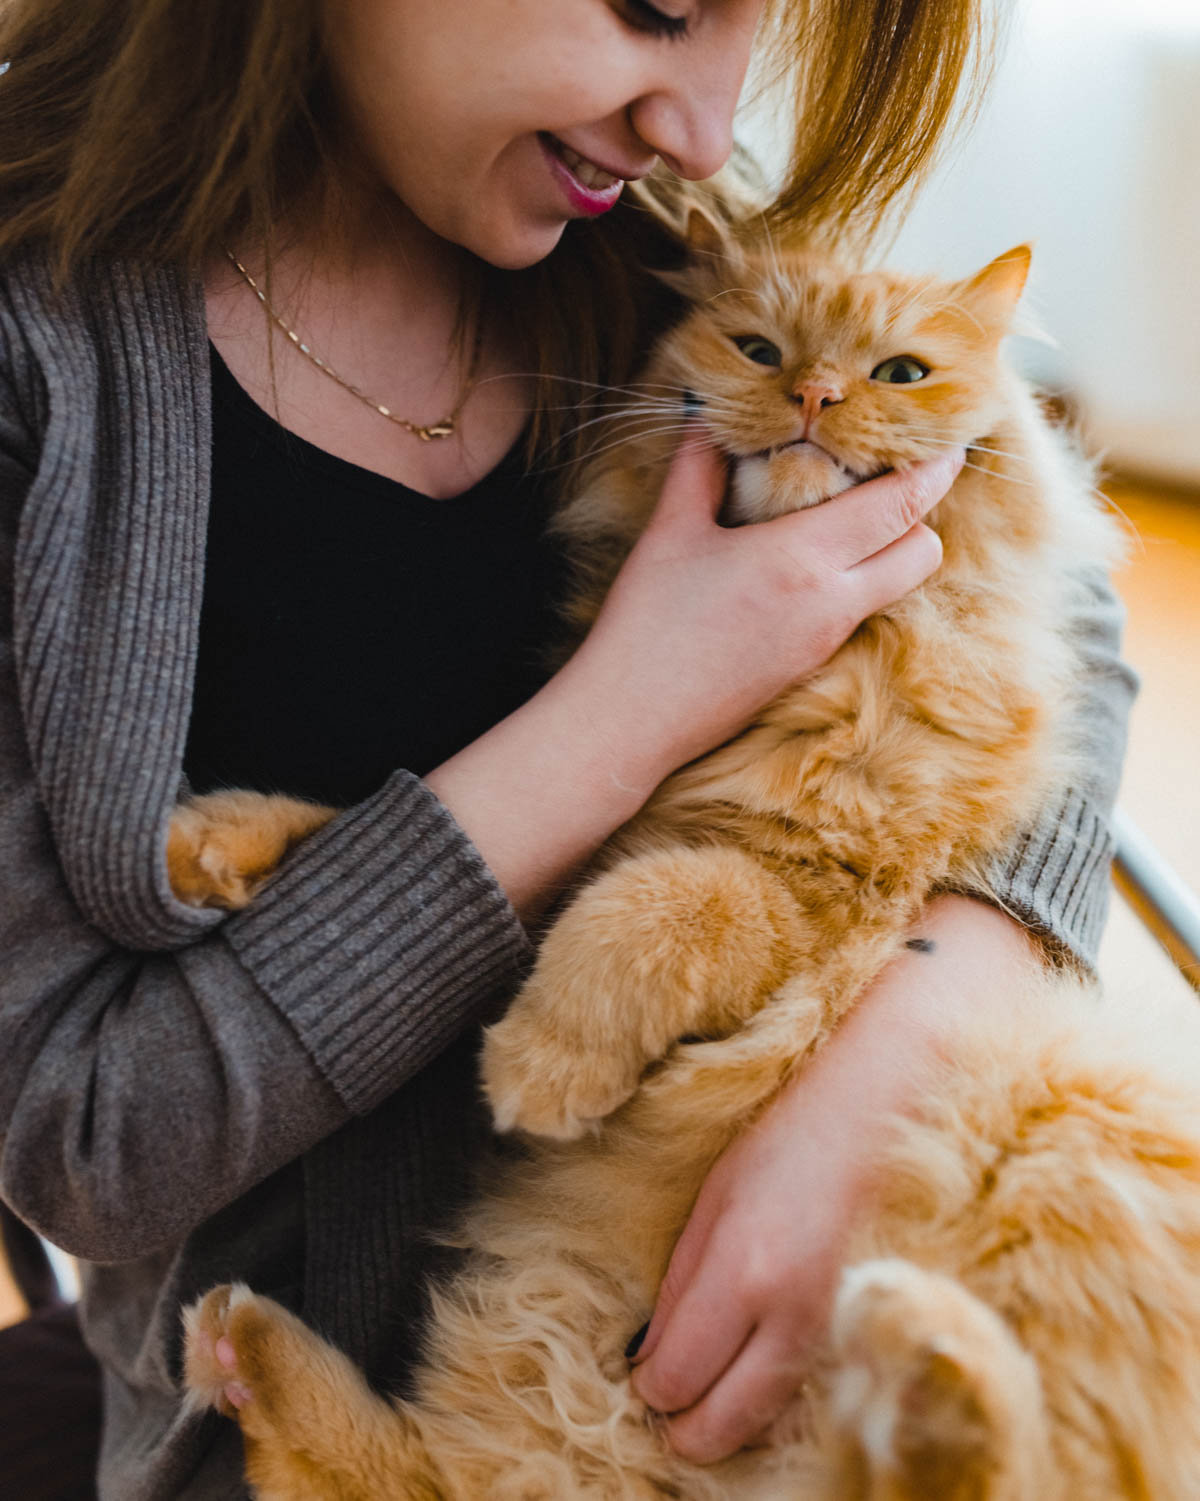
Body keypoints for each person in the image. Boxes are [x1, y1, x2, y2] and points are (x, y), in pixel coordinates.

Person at [0, 0, 1136, 1495]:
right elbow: (89, 1130)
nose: (707, 131)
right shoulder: (43, 370)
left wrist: (917, 1028)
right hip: (377, 1423)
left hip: (843, 1322)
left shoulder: (655, 240)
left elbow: (1065, 607)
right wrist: (629, 708)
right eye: (659, 6)